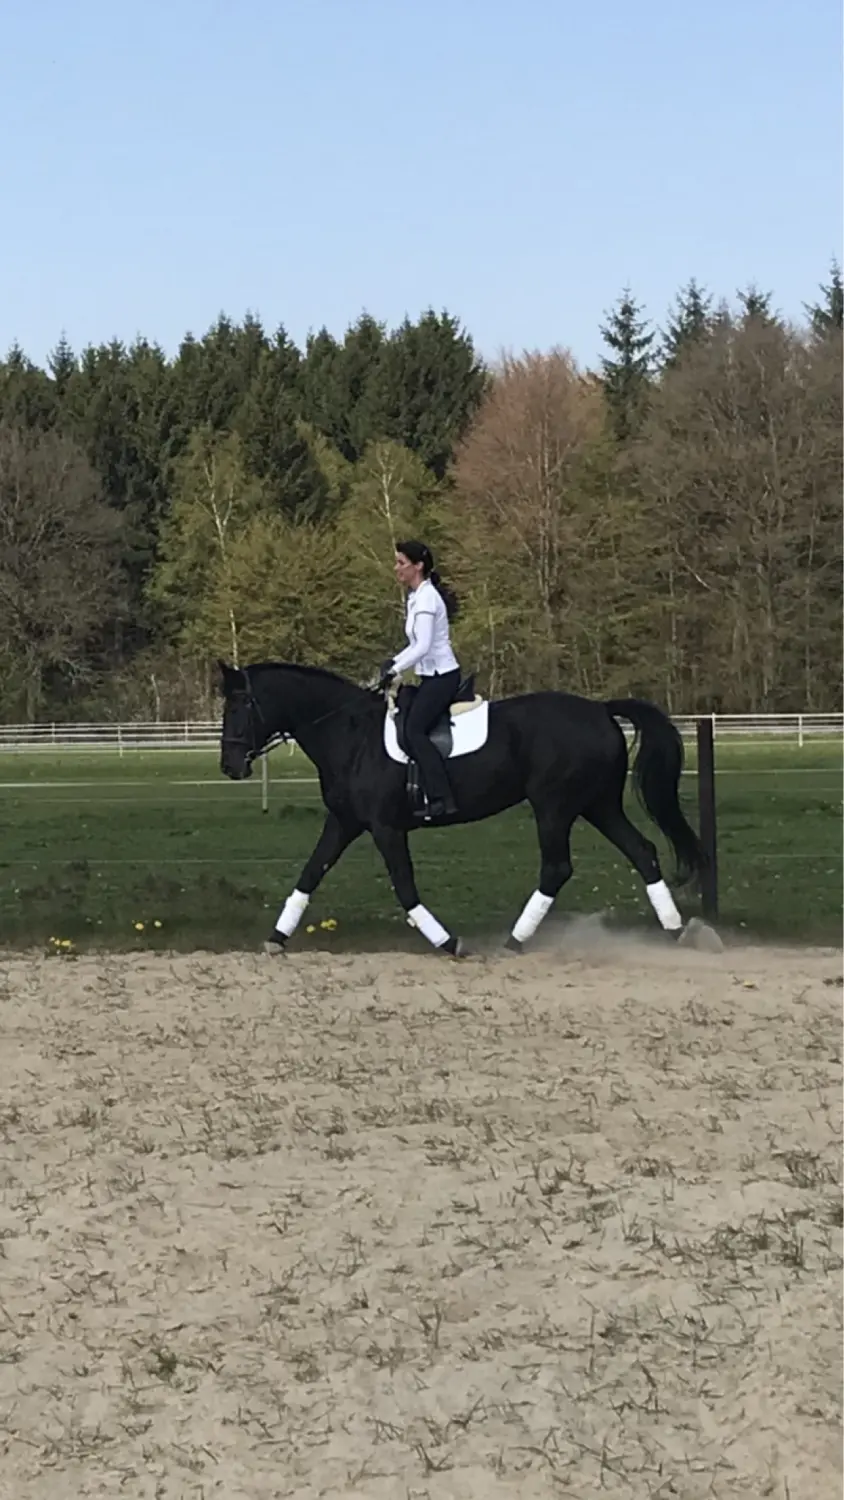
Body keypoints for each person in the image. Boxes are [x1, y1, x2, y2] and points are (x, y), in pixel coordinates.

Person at [379, 540, 461, 818]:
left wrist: (395, 668)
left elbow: (423, 646)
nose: (396, 568)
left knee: (414, 730)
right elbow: (414, 645)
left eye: (401, 563)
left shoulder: (427, 598)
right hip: (429, 676)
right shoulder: (416, 597)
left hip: (442, 677)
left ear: (419, 566)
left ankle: (442, 798)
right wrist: (393, 663)